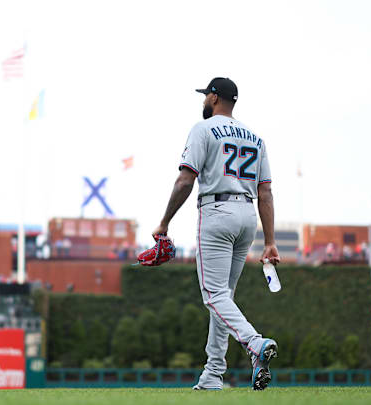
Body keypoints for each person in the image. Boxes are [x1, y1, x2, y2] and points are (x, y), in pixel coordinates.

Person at [151, 77, 280, 391]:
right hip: (248, 215)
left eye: (205, 95)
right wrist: (270, 241)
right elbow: (266, 193)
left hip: (217, 211)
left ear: (213, 97)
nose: (203, 101)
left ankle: (255, 344)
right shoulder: (256, 138)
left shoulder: (203, 129)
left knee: (214, 296)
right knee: (224, 298)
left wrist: (164, 222)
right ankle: (212, 375)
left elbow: (185, 181)